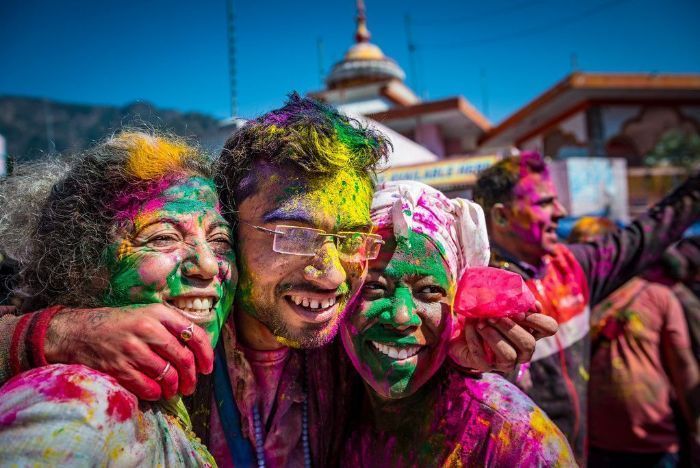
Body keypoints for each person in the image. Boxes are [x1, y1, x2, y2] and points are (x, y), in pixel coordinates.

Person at [0, 96, 556, 465]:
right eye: (293, 232)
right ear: (233, 229)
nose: (331, 272)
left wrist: (454, 340)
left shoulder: (344, 342)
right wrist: (48, 332)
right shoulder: (144, 359)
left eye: (346, 240)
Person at [0, 131, 237, 465]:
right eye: (163, 236)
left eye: (220, 239)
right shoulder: (81, 405)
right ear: (82, 264)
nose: (210, 265)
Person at [473, 151, 700, 464]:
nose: (561, 212)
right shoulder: (478, 290)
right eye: (544, 203)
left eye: (557, 201)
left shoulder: (575, 268)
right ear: (501, 216)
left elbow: (649, 231)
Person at [339, 180, 576, 466]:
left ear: (456, 307)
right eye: (374, 287)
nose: (402, 316)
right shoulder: (323, 393)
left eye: (428, 291)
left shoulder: (517, 442)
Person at [568, 216, 699, 467]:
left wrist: (696, 427)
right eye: (581, 250)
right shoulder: (572, 304)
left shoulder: (657, 296)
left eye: (596, 249)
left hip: (655, 445)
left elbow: (683, 367)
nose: (590, 259)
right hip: (594, 447)